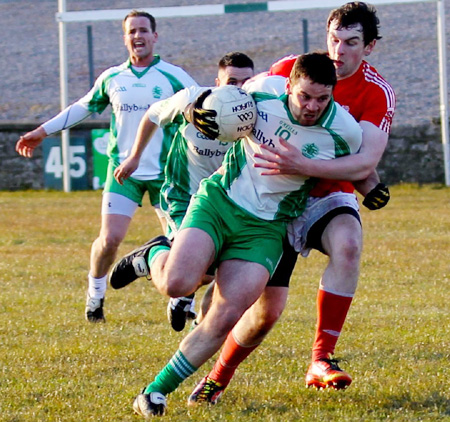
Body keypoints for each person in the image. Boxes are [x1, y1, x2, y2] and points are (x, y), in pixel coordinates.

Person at [109, 52, 362, 417]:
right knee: (179, 284)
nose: (312, 107)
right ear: (289, 86)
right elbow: (207, 102)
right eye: (305, 96)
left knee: (226, 315)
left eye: (322, 99)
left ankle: (155, 392)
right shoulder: (258, 97)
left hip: (265, 229)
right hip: (218, 204)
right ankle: (150, 256)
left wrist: (371, 185)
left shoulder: (344, 129)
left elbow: (361, 164)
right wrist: (200, 109)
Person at [188, 1, 396, 404]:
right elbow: (245, 105)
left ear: (368, 47)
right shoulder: (291, 69)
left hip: (327, 194)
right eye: (334, 39)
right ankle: (217, 377)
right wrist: (209, 112)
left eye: (351, 42)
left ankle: (321, 358)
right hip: (274, 202)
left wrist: (309, 163)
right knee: (265, 314)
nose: (339, 51)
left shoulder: (377, 92)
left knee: (349, 243)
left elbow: (366, 160)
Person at [15, 10, 197, 323]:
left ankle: (182, 301)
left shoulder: (174, 76)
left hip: (166, 174)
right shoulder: (113, 78)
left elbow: (205, 105)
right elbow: (81, 108)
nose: (137, 36)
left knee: (184, 244)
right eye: (131, 32)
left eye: (143, 30)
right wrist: (41, 131)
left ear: (155, 36)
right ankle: (95, 297)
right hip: (122, 172)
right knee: (110, 239)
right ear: (125, 38)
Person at [112, 51, 255, 331]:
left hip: (226, 202)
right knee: (196, 263)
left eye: (246, 83)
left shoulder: (255, 109)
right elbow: (152, 115)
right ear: (217, 82)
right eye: (232, 82)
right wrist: (134, 156)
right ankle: (152, 256)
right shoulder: (192, 98)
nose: (239, 90)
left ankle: (183, 298)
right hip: (184, 196)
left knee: (211, 271)